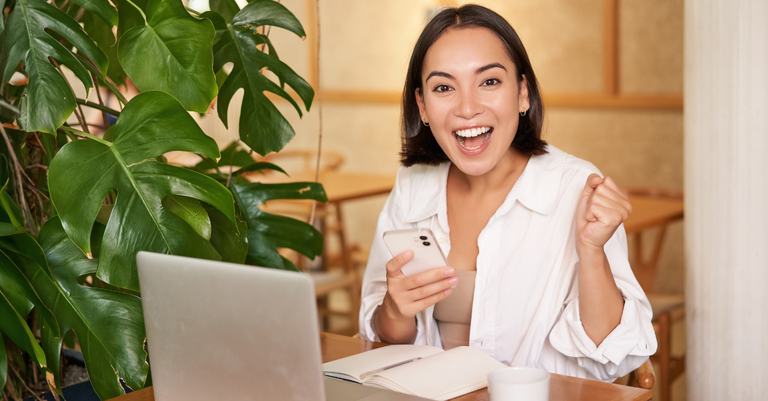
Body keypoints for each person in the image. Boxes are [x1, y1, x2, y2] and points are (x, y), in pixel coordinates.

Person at [358, 4, 657, 382]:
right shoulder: (414, 183)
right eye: (444, 88)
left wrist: (592, 252)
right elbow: (384, 334)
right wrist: (396, 311)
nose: (467, 109)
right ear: (423, 106)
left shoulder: (575, 186)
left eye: (489, 82)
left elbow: (610, 357)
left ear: (522, 93)